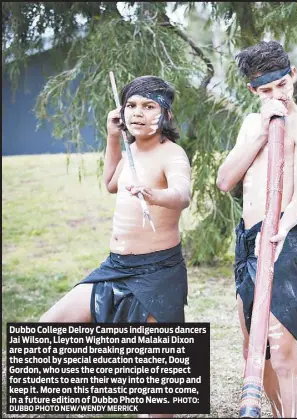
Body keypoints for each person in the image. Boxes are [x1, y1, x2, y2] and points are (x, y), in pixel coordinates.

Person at [40, 75, 191, 419]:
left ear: (165, 114)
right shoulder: (131, 152)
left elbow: (182, 196)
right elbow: (111, 183)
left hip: (157, 273)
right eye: (132, 105)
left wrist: (153, 194)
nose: (138, 113)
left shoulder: (172, 154)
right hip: (116, 268)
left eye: (149, 106)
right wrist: (112, 138)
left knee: (158, 401)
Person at [216, 40, 297, 418]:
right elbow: (225, 180)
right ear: (253, 91)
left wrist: (277, 229)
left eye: (282, 85)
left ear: (292, 76)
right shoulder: (251, 124)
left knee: (281, 346)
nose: (276, 95)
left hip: (282, 236)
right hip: (248, 238)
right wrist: (262, 133)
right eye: (266, 91)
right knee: (253, 347)